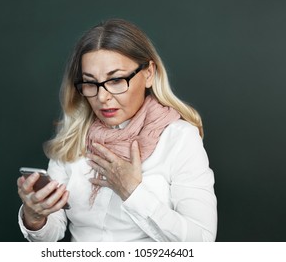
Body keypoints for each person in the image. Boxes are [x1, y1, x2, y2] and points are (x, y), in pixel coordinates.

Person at [17, 18, 217, 242]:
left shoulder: (179, 138)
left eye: (116, 80)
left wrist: (133, 192)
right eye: (91, 83)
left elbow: (202, 242)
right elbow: (51, 234)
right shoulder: (74, 135)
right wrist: (35, 218)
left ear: (149, 73)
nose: (102, 97)